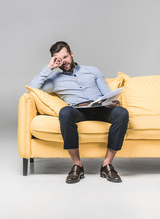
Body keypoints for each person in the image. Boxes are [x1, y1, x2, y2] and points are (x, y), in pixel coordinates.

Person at [28, 41, 129, 184]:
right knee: (65, 112)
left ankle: (107, 164)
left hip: (100, 109)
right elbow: (31, 89)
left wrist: (112, 101)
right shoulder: (55, 80)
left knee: (122, 113)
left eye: (65, 57)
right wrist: (49, 68)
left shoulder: (92, 70)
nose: (63, 62)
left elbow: (107, 93)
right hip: (78, 110)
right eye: (59, 59)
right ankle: (77, 165)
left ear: (71, 54)